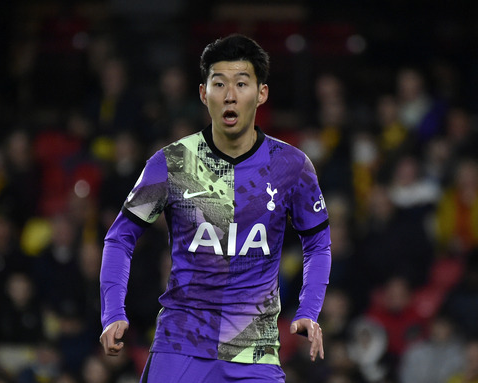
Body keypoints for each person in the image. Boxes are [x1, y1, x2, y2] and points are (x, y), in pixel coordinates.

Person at [99, 34, 332, 382]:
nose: (230, 95)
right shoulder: (172, 163)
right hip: (180, 346)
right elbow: (120, 238)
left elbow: (318, 243)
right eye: (219, 83)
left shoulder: (291, 166)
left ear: (262, 93)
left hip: (254, 352)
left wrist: (309, 309)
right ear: (203, 93)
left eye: (241, 83)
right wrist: (112, 312)